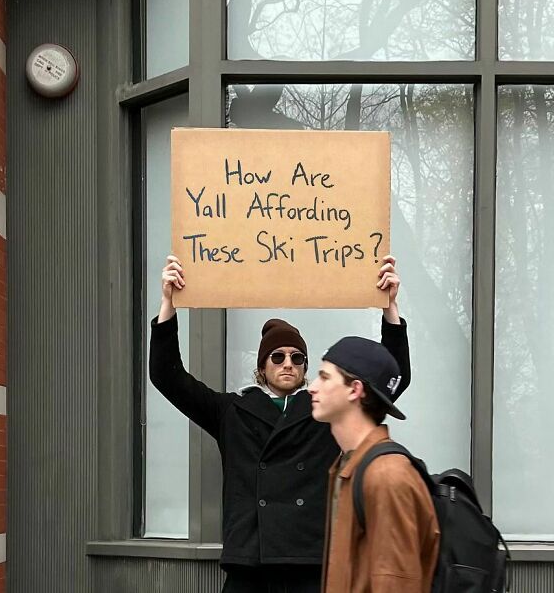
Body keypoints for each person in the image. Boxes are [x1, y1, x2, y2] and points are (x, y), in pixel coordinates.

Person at [149, 253, 411, 593]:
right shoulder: (232, 410)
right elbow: (168, 378)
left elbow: (391, 381)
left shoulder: (325, 410)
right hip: (250, 566)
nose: (288, 363)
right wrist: (168, 303)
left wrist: (389, 308)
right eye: (278, 356)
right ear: (262, 366)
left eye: (297, 358)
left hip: (309, 563)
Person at [308, 336, 439, 593]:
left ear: (355, 390)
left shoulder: (386, 475)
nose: (312, 387)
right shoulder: (348, 465)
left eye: (324, 377)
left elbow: (396, 583)